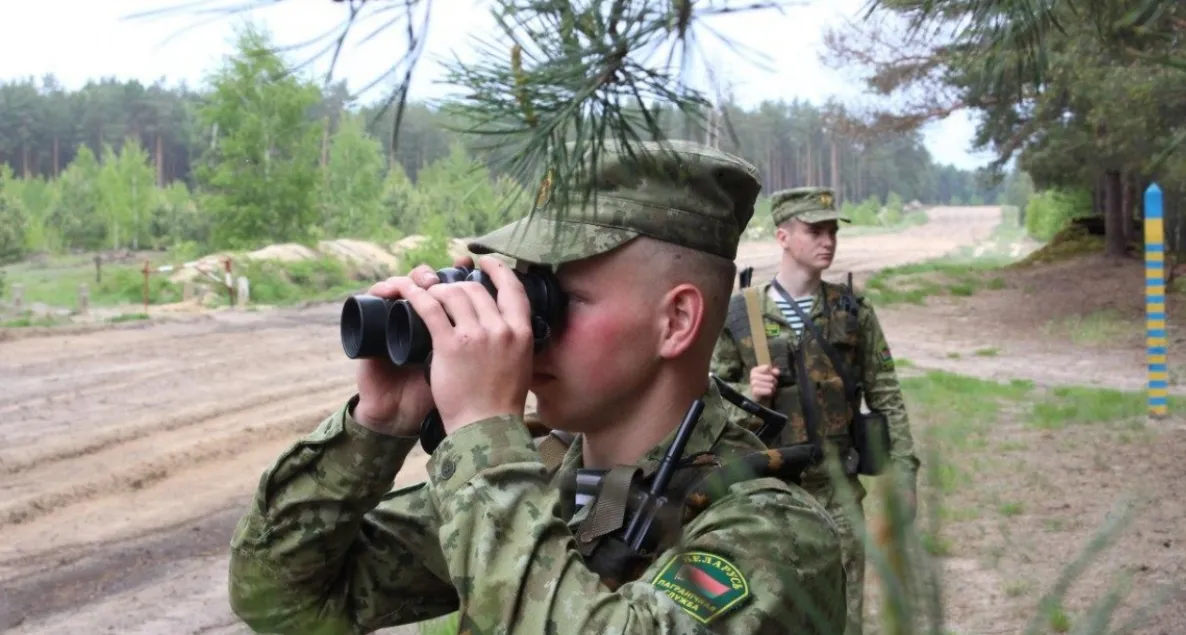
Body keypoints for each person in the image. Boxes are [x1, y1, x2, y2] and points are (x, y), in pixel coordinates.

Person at [227, 141, 848, 635]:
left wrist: (481, 431)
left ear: (676, 321)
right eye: (519, 292)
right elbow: (281, 599)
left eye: (561, 299)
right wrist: (379, 424)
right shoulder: (548, 479)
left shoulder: (774, 532)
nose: (523, 328)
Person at [708, 186, 921, 635]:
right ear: (783, 237)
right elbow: (710, 408)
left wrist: (904, 474)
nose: (828, 241)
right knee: (766, 616)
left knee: (844, 617)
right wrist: (751, 391)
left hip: (837, 493)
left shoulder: (852, 310)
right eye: (814, 231)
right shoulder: (742, 314)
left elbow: (886, 395)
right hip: (764, 495)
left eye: (831, 231)